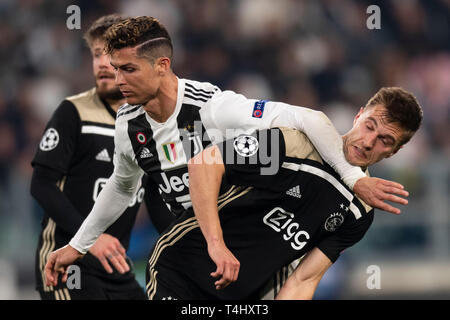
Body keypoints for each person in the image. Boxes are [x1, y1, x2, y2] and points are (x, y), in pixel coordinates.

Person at [43, 16, 409, 292]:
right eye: (114, 69)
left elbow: (307, 119)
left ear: (162, 66)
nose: (116, 81)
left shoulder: (215, 108)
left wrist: (353, 179)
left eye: (127, 70)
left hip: (242, 250)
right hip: (187, 250)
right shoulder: (128, 124)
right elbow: (123, 188)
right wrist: (79, 244)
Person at [145, 86, 423, 299]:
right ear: (359, 115)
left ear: (394, 151)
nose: (368, 141)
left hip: (242, 296)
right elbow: (205, 163)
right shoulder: (292, 146)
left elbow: (304, 280)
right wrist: (216, 244)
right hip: (181, 268)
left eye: (385, 140)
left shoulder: (359, 211)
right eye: (369, 126)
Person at [30, 14, 167, 300]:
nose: (103, 64)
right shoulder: (73, 112)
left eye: (110, 55)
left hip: (115, 268)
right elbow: (41, 184)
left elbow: (154, 197)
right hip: (68, 267)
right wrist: (89, 238)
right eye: (96, 55)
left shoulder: (149, 124)